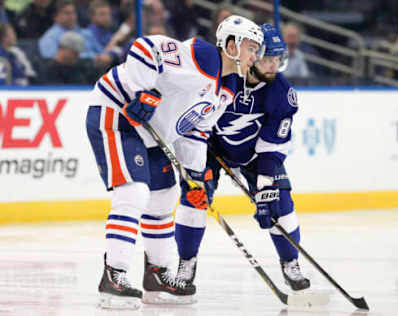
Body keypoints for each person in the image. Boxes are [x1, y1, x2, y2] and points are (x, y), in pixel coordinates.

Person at [85, 15, 264, 309]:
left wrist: (194, 177)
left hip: (154, 133)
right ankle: (113, 274)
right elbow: (144, 48)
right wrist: (144, 91)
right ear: (231, 45)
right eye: (250, 47)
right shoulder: (204, 58)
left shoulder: (228, 88)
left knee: (163, 199)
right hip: (117, 113)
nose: (254, 56)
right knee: (133, 193)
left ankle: (156, 274)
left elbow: (195, 129)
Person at [174, 24, 310, 296]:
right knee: (194, 198)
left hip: (256, 155)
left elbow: (272, 145)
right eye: (268, 57)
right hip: (209, 149)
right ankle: (186, 262)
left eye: (278, 59)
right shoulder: (224, 76)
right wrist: (199, 160)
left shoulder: (281, 93)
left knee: (279, 203)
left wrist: (266, 184)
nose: (274, 65)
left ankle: (290, 262)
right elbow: (195, 115)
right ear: (252, 55)